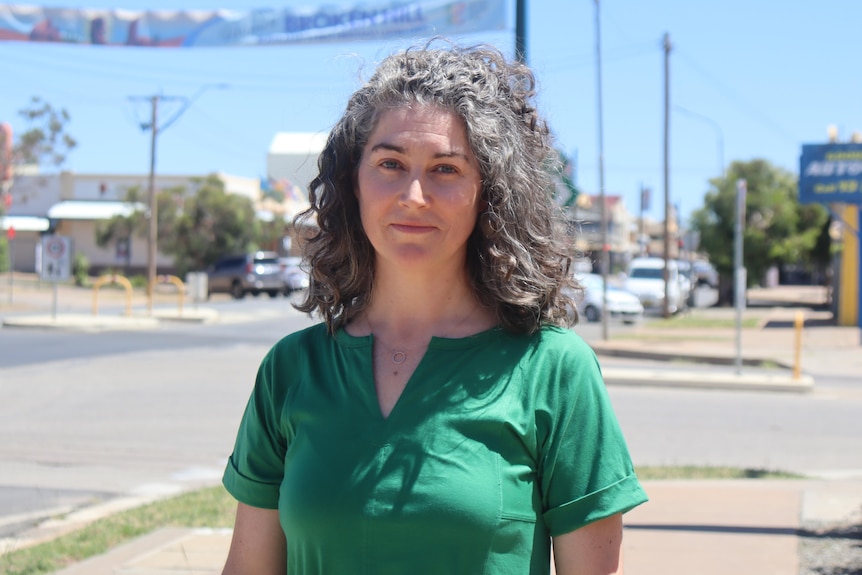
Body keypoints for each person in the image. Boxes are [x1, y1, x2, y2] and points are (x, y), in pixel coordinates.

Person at [221, 41, 648, 575]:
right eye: (390, 163)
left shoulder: (554, 371)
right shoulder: (291, 371)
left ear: (489, 192)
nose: (413, 195)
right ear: (353, 182)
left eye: (446, 169)